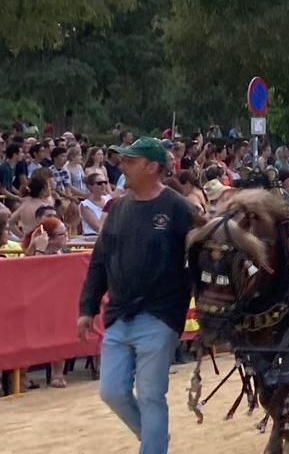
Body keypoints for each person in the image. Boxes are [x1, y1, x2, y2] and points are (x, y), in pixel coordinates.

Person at [78, 137, 202, 454]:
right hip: (119, 316)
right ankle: (153, 438)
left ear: (152, 167)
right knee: (112, 391)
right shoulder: (118, 209)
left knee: (150, 394)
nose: (122, 167)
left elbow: (204, 256)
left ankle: (153, 446)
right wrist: (87, 308)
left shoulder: (178, 208)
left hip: (160, 317)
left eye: (130, 162)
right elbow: (100, 261)